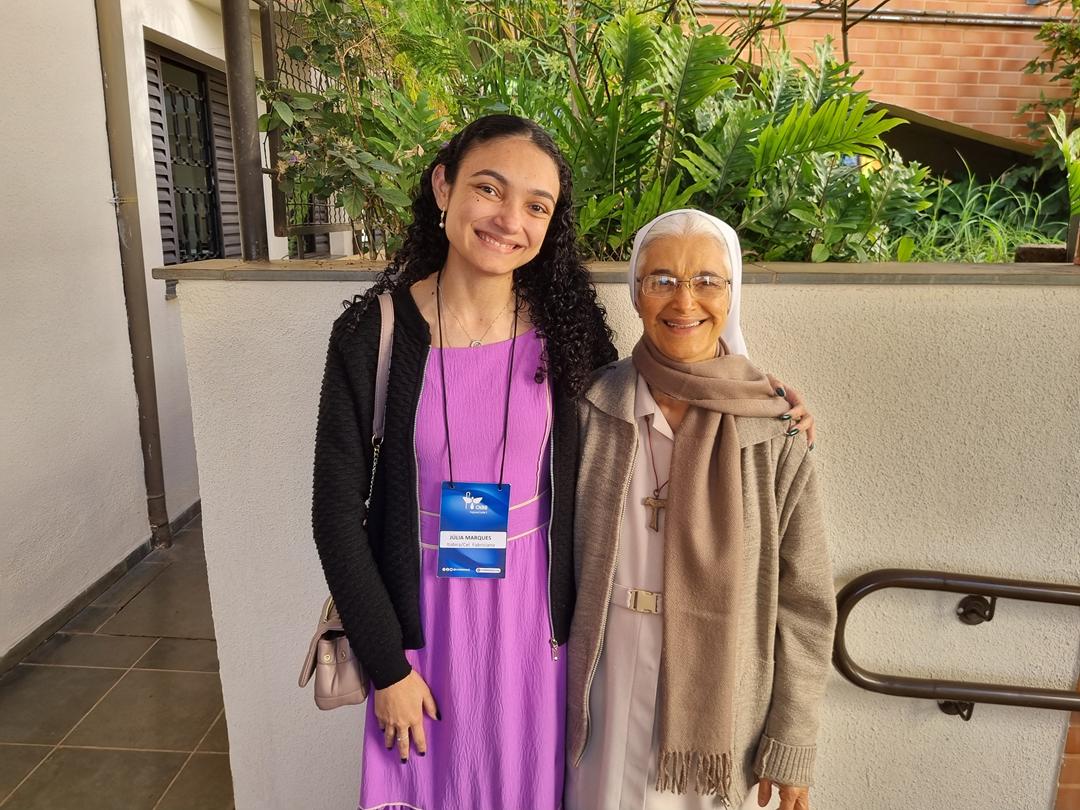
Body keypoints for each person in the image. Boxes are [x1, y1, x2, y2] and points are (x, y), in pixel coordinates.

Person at [312, 114, 814, 809]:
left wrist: (763, 399)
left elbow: (663, 384)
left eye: (537, 205)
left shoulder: (566, 335)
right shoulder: (374, 333)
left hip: (539, 641)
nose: (509, 220)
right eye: (489, 189)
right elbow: (336, 517)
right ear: (443, 187)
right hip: (419, 633)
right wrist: (386, 667)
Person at [565, 209, 836, 810]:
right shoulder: (590, 407)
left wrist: (791, 743)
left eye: (706, 280)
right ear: (636, 292)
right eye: (662, 279)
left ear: (731, 293)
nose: (684, 300)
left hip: (720, 703)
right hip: (600, 687)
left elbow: (806, 604)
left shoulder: (774, 430)